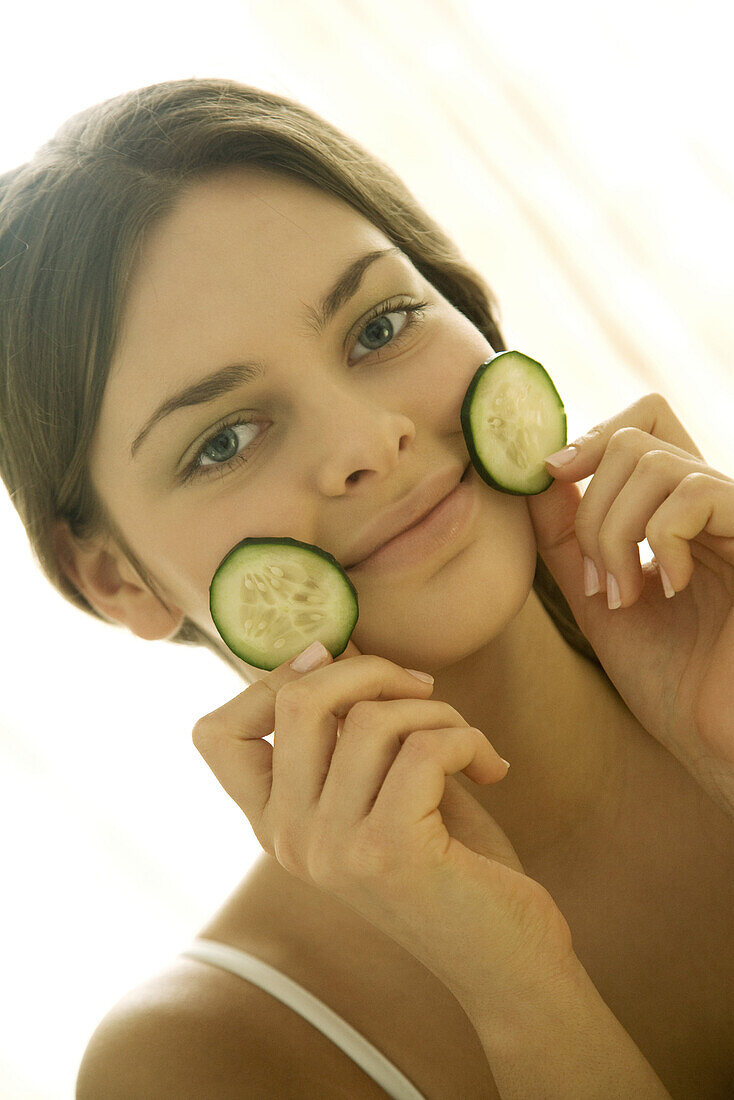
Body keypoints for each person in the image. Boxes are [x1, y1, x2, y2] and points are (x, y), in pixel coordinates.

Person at [1, 77, 732, 1099]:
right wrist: (519, 987)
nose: (364, 443)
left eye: (380, 326)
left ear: (466, 305)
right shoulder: (192, 1063)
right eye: (223, 440)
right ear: (113, 574)